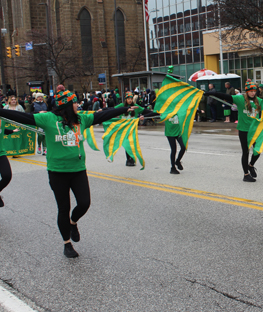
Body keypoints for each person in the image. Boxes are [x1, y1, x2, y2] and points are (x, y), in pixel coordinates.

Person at [0, 89, 137, 257]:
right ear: (66, 105)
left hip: (78, 170)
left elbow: (103, 115)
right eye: (74, 103)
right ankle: (67, 244)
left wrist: (124, 109)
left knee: (84, 203)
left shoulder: (81, 120)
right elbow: (23, 118)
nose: (77, 105)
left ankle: (73, 222)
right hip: (57, 172)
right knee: (63, 208)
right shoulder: (48, 119)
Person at [207, 81, 262, 182]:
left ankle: (251, 165)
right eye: (251, 91)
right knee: (245, 152)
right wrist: (211, 93)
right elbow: (225, 95)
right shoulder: (240, 99)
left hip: (255, 131)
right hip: (243, 130)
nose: (253, 93)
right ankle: (246, 175)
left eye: (254, 91)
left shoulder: (259, 101)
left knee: (258, 151)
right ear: (247, 91)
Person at [114, 91, 154, 166]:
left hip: (132, 129)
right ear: (125, 99)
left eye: (131, 99)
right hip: (123, 129)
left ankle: (131, 158)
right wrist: (102, 110)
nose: (130, 100)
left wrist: (158, 113)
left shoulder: (136, 107)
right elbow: (112, 110)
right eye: (128, 99)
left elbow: (146, 112)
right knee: (126, 144)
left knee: (132, 144)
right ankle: (128, 159)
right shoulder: (121, 106)